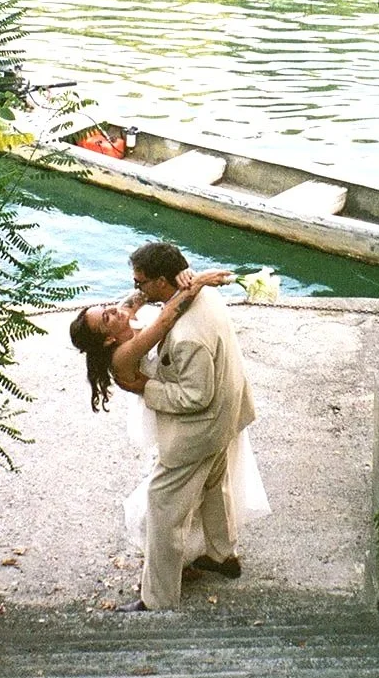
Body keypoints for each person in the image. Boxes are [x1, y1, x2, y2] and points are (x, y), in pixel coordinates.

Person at [69, 242, 262, 611]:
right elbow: (164, 314)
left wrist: (148, 387)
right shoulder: (197, 303)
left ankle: (157, 599)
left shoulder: (185, 335)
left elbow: (195, 398)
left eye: (142, 282)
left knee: (163, 508)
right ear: (107, 337)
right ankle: (223, 556)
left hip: (202, 423)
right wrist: (195, 280)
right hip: (228, 409)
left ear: (161, 281)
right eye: (108, 314)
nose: (134, 292)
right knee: (214, 483)